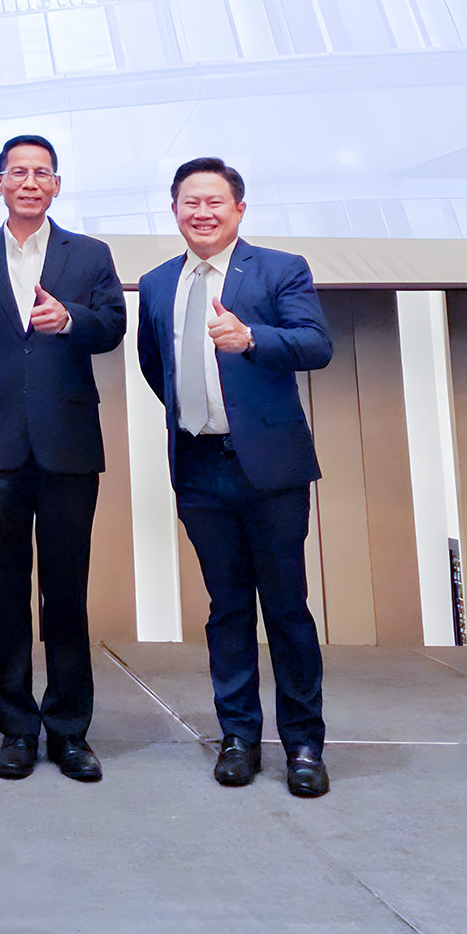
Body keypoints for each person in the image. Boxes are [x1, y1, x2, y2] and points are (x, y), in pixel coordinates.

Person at [136, 156, 335, 798]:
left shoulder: (279, 269)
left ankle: (303, 744)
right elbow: (155, 365)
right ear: (174, 210)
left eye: (214, 201)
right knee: (226, 609)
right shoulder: (157, 282)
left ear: (238, 209)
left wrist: (251, 339)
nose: (202, 213)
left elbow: (316, 345)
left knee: (285, 607)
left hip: (269, 468)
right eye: (189, 202)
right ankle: (238, 737)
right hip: (198, 465)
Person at [0, 133, 125, 784]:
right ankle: (16, 727)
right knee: (5, 593)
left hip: (68, 444)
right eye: (17, 172)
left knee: (66, 593)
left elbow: (113, 327)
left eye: (41, 172)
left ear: (56, 185)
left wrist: (70, 319)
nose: (29, 182)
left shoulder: (90, 254)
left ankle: (70, 730)